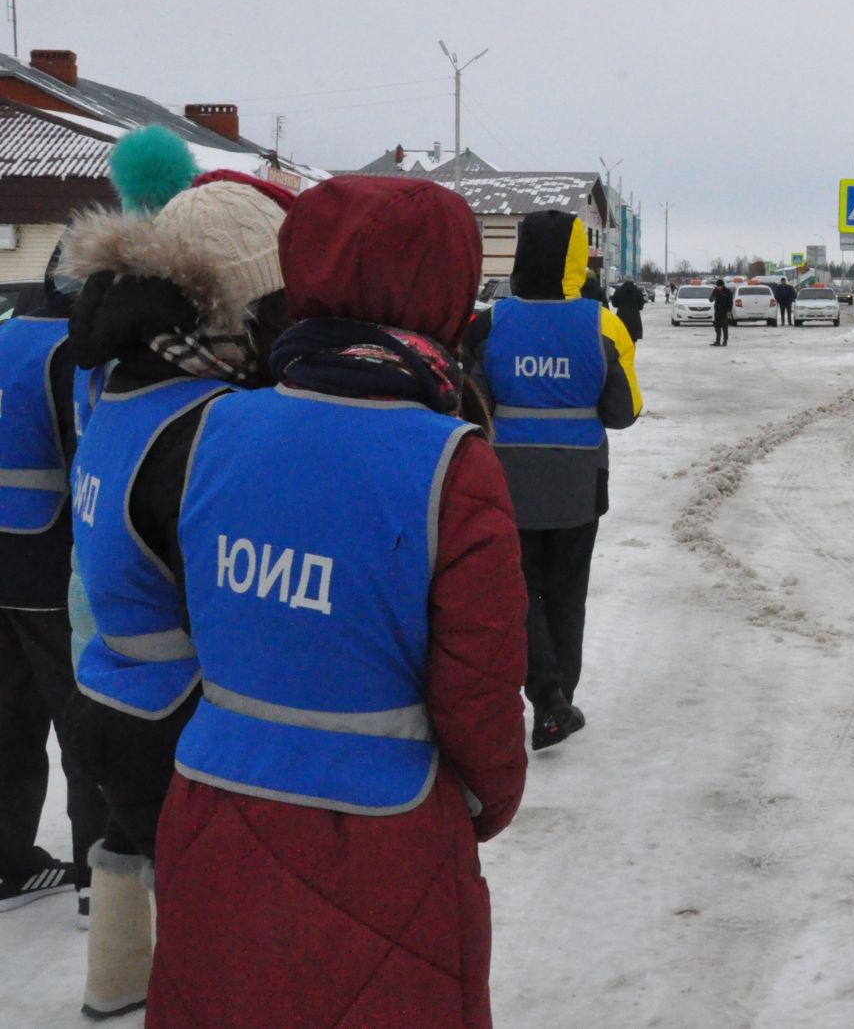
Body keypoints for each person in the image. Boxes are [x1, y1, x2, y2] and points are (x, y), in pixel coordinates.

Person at [146, 175, 529, 1028]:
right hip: (380, 840)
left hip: (212, 807)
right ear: (449, 290)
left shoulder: (213, 428)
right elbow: (480, 690)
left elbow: (197, 605)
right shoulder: (453, 465)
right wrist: (487, 800)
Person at [60, 169, 295, 1019]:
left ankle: (115, 980)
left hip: (107, 687)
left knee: (128, 841)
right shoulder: (208, 422)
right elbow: (229, 595)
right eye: (277, 301)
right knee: (213, 903)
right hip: (176, 709)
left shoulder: (116, 384)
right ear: (233, 302)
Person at [464, 212, 639, 750]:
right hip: (578, 484)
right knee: (566, 594)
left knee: (518, 590)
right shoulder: (601, 324)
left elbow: (470, 407)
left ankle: (547, 697)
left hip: (505, 483)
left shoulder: (490, 324)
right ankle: (557, 700)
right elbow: (624, 411)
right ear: (575, 259)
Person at [0, 238, 109, 921]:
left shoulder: (7, 334)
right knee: (82, 719)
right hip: (46, 556)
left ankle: (7, 860)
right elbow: (88, 460)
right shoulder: (71, 350)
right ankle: (98, 873)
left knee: (6, 717)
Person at [611, 277, 645, 342]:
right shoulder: (638, 291)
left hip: (621, 318)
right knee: (632, 342)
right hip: (634, 319)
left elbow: (614, 304)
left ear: (624, 281)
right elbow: (641, 307)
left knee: (621, 342)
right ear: (632, 281)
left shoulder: (619, 290)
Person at [710, 279, 735, 346]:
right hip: (717, 312)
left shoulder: (727, 292)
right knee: (717, 327)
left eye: (719, 286)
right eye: (717, 286)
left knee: (725, 327)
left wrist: (729, 311)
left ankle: (725, 341)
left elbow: (730, 302)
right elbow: (710, 299)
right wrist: (713, 297)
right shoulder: (715, 291)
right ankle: (717, 341)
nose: (718, 287)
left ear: (722, 285)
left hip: (725, 312)